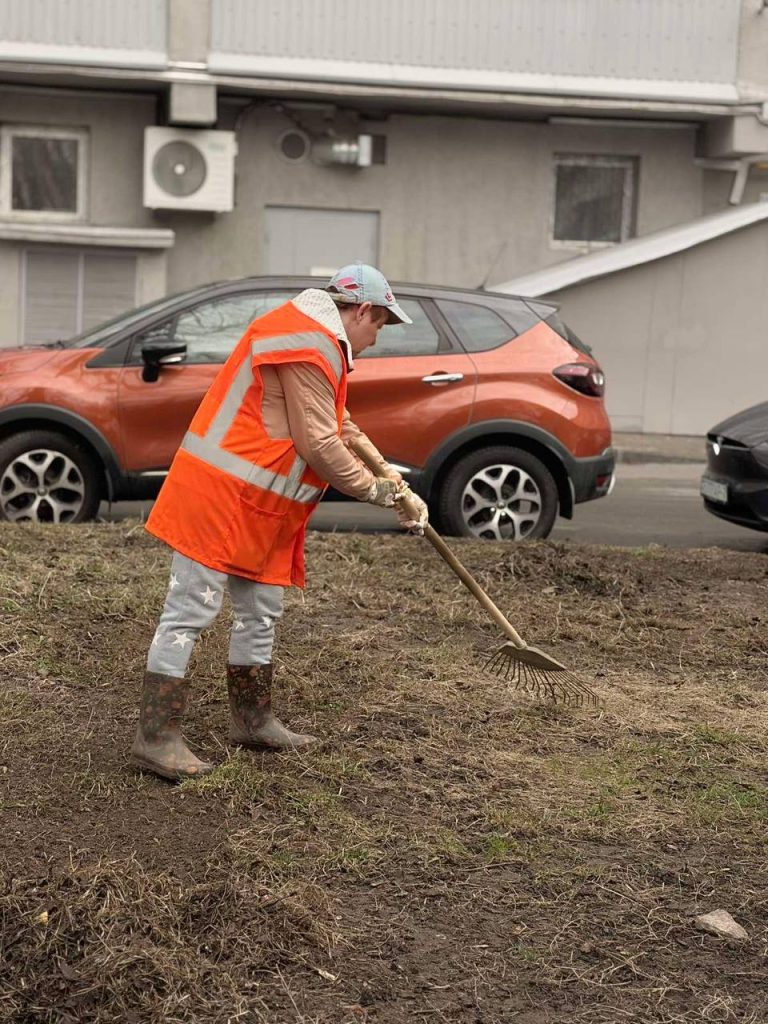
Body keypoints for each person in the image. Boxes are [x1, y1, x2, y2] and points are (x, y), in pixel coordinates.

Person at [129, 263, 429, 781]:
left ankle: (253, 720)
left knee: (260, 611)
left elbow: (341, 424)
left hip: (258, 505)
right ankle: (156, 737)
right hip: (220, 497)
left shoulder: (318, 342)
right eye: (380, 324)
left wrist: (394, 480)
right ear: (362, 310)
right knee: (189, 612)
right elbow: (320, 444)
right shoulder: (306, 343)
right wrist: (378, 493)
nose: (377, 338)